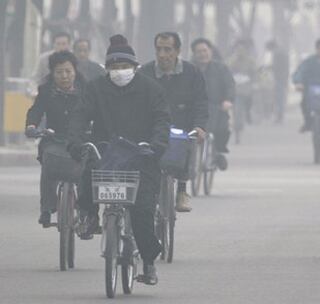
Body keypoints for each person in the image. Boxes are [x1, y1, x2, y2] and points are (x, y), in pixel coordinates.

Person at [67, 34, 170, 285]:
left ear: (135, 67)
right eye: (114, 67)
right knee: (88, 171)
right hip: (107, 152)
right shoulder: (95, 88)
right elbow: (80, 117)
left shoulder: (151, 89)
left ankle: (147, 262)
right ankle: (88, 216)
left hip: (142, 155)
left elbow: (162, 121)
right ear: (107, 69)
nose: (120, 71)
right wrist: (76, 141)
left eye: (124, 67)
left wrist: (156, 145)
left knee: (143, 212)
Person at [140, 32, 209, 213]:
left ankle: (182, 190)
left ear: (178, 50)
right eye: (159, 49)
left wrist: (199, 126)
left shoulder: (192, 72)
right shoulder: (144, 73)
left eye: (168, 49)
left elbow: (201, 102)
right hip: (152, 127)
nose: (163, 54)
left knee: (187, 147)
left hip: (182, 127)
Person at [25, 50, 86, 227]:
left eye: (68, 71)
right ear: (52, 73)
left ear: (75, 71)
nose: (64, 76)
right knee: (48, 164)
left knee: (86, 168)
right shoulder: (45, 90)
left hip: (79, 139)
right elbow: (36, 110)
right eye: (59, 72)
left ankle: (86, 209)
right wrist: (31, 126)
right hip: (53, 137)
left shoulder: (87, 89)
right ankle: (47, 207)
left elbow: (96, 111)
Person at [191, 37, 235, 169]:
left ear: (210, 51)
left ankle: (218, 154)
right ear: (194, 54)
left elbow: (230, 86)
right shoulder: (189, 69)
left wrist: (228, 100)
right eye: (199, 51)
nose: (203, 54)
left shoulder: (221, 68)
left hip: (217, 107)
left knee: (222, 129)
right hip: (195, 108)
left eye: (205, 50)